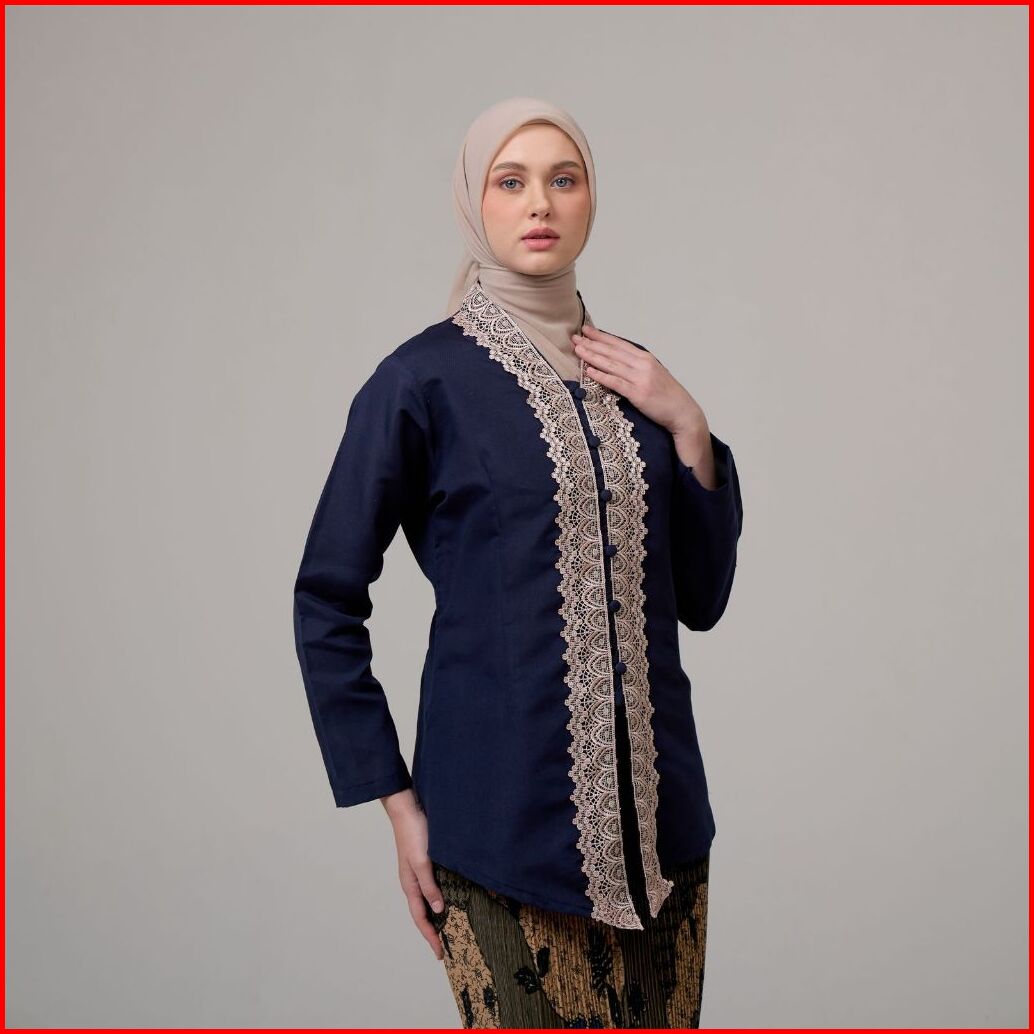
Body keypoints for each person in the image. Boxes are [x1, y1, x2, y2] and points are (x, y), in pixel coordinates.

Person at [292, 96, 744, 1029]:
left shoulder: (638, 379)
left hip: (666, 844)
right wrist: (396, 802)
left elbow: (700, 600)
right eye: (511, 181)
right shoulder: (422, 382)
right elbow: (325, 598)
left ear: (590, 201)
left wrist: (691, 430)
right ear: (475, 202)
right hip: (498, 843)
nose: (540, 202)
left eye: (562, 179)